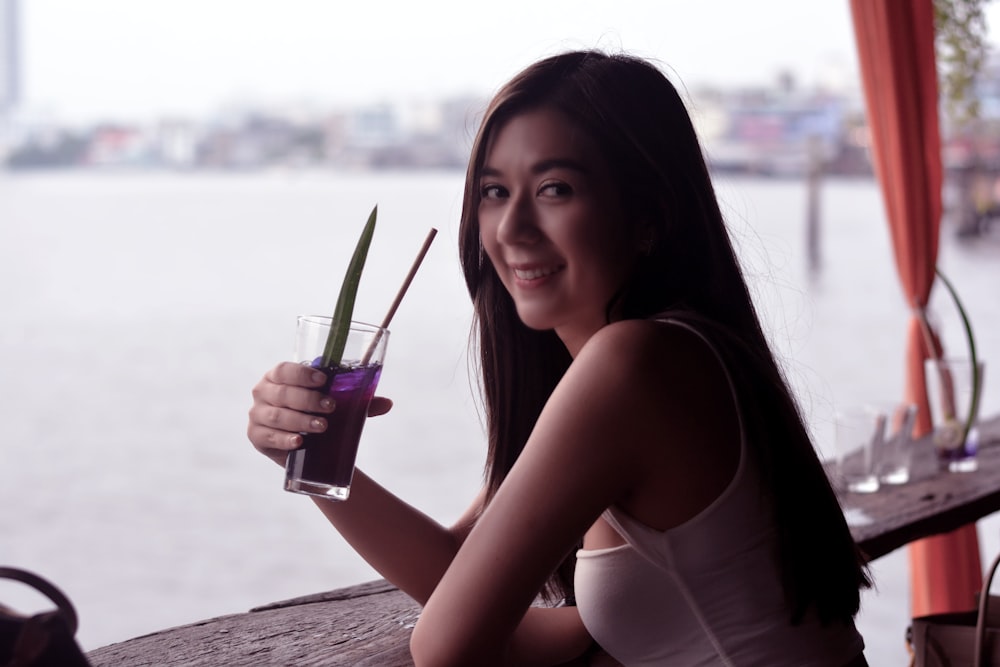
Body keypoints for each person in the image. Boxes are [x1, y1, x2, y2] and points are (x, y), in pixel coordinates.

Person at [247, 50, 871, 666]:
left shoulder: (635, 365)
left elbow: (446, 647)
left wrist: (576, 633)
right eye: (494, 190)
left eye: (555, 188)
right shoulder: (673, 357)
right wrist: (315, 457)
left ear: (648, 214)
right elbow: (458, 571)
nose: (512, 227)